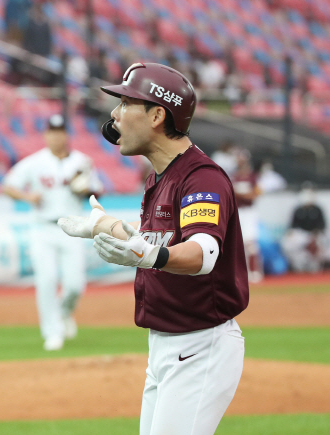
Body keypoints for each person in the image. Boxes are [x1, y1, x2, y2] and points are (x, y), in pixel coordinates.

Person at [59, 63, 249, 435]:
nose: (114, 114)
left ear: (157, 115)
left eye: (126, 103)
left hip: (199, 347)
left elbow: (202, 254)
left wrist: (147, 255)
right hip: (166, 346)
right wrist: (108, 226)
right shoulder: (160, 177)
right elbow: (153, 243)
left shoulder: (201, 178)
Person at [2, 114, 103, 351]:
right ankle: (52, 332)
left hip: (73, 228)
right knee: (46, 280)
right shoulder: (34, 162)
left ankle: (63, 313)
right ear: (46, 135)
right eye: (52, 132)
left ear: (67, 135)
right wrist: (28, 197)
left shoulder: (83, 162)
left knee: (75, 285)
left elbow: (97, 190)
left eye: (61, 132)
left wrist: (85, 189)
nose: (56, 136)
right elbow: (8, 185)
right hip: (43, 227)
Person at [281, 183, 328, 273]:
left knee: (320, 244)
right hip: (302, 235)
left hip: (315, 234)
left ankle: (316, 265)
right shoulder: (298, 210)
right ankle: (297, 266)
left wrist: (314, 236)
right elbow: (293, 226)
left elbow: (322, 225)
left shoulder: (317, 209)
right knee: (288, 243)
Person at [232, 151, 263, 282]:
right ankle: (244, 272)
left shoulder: (253, 177)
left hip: (250, 211)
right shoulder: (234, 177)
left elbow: (256, 193)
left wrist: (242, 194)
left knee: (251, 244)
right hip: (239, 211)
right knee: (239, 243)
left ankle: (255, 271)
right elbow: (232, 194)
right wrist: (243, 195)